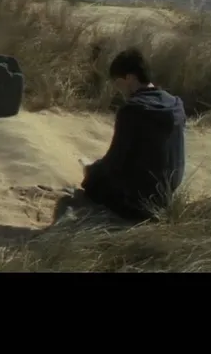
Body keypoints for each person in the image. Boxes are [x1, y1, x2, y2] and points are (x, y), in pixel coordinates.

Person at [77, 48, 187, 223]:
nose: (118, 89)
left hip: (138, 203)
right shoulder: (176, 104)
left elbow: (114, 161)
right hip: (166, 196)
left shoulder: (132, 110)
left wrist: (91, 171)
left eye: (118, 82)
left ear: (129, 78)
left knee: (93, 184)